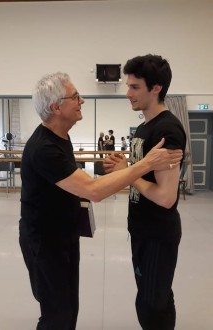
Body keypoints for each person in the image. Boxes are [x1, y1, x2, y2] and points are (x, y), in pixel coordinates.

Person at [19, 72, 182, 330]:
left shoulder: (62, 137)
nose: (81, 100)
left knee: (69, 307)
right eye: (75, 97)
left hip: (64, 236)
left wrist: (127, 169)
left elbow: (78, 183)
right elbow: (93, 190)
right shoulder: (44, 148)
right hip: (44, 242)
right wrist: (145, 165)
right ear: (56, 107)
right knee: (56, 313)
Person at [104, 54, 186, 330]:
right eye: (128, 86)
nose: (128, 93)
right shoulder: (143, 127)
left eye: (135, 87)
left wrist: (130, 173)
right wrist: (125, 168)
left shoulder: (167, 130)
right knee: (155, 297)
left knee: (151, 305)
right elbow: (141, 172)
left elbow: (166, 197)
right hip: (142, 229)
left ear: (156, 88)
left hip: (157, 234)